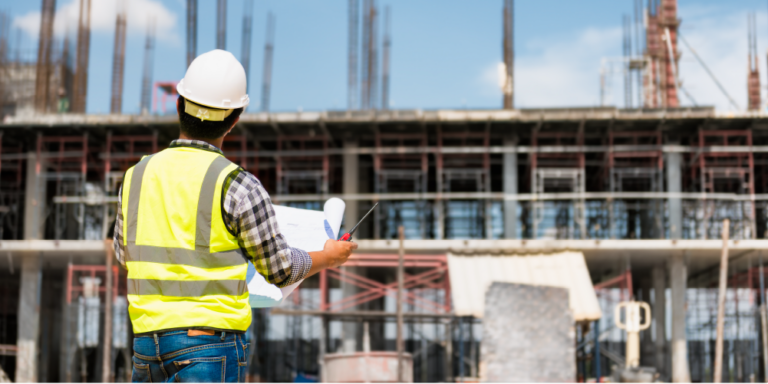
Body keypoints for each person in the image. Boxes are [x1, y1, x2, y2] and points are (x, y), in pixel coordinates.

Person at [113, 49, 357, 384]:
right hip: (209, 347)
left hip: (146, 345)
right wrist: (328, 256)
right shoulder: (237, 184)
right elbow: (280, 270)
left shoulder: (135, 176)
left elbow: (123, 256)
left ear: (179, 103)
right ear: (236, 117)